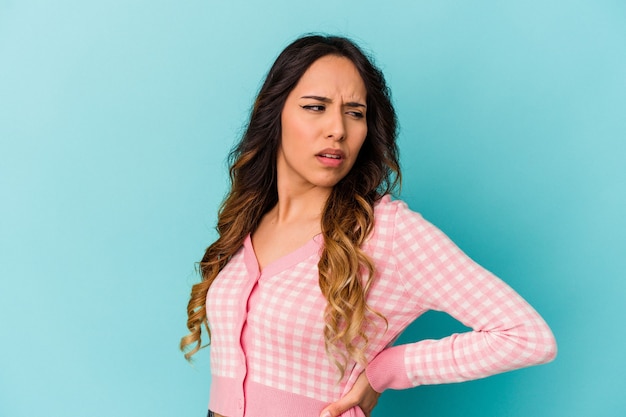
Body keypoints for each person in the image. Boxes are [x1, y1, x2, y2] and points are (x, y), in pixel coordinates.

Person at [181, 34, 557, 417]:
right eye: (315, 107)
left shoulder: (388, 231)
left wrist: (389, 369)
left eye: (355, 112)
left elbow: (527, 337)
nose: (338, 129)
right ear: (273, 114)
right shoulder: (249, 217)